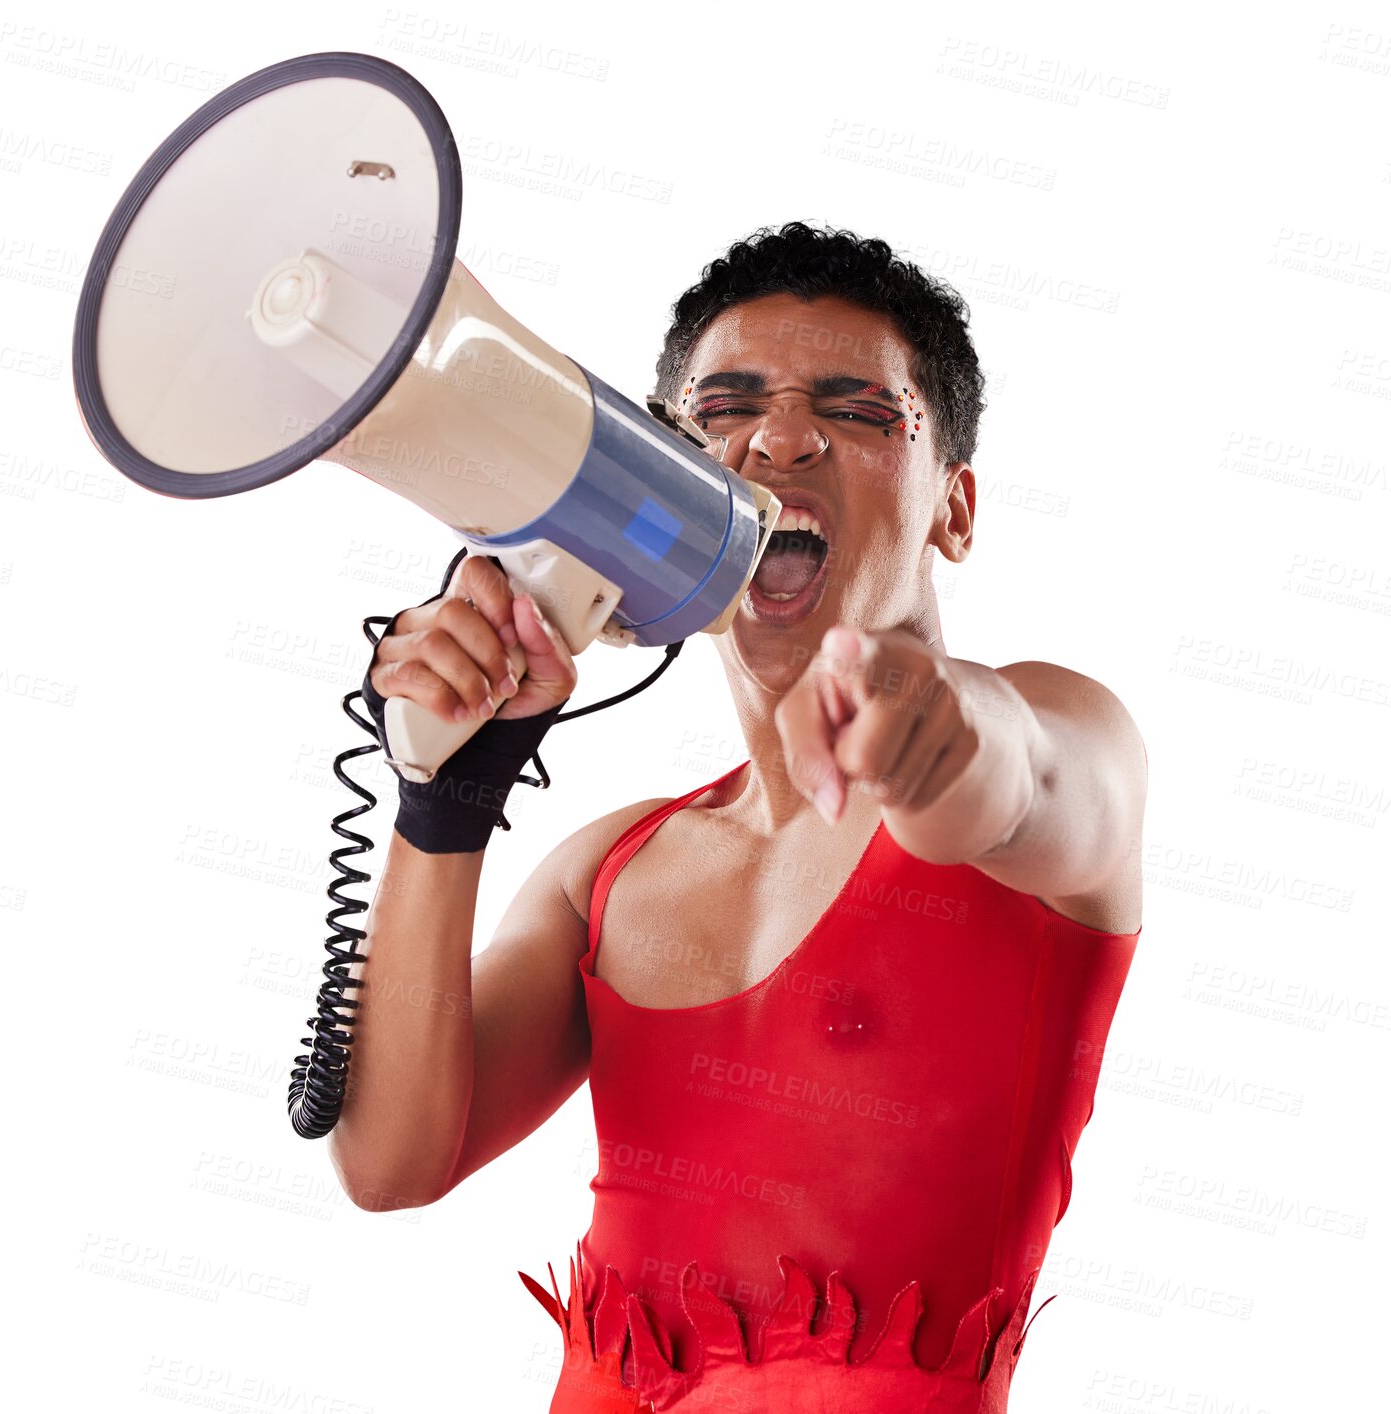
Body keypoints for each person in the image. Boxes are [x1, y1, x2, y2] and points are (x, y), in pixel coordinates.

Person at [331, 221, 1147, 1412]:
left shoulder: (1060, 735)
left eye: (859, 409)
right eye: (723, 407)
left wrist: (934, 721)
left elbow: (1022, 776)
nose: (778, 436)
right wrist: (444, 800)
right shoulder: (605, 869)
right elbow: (391, 1158)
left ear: (952, 512)